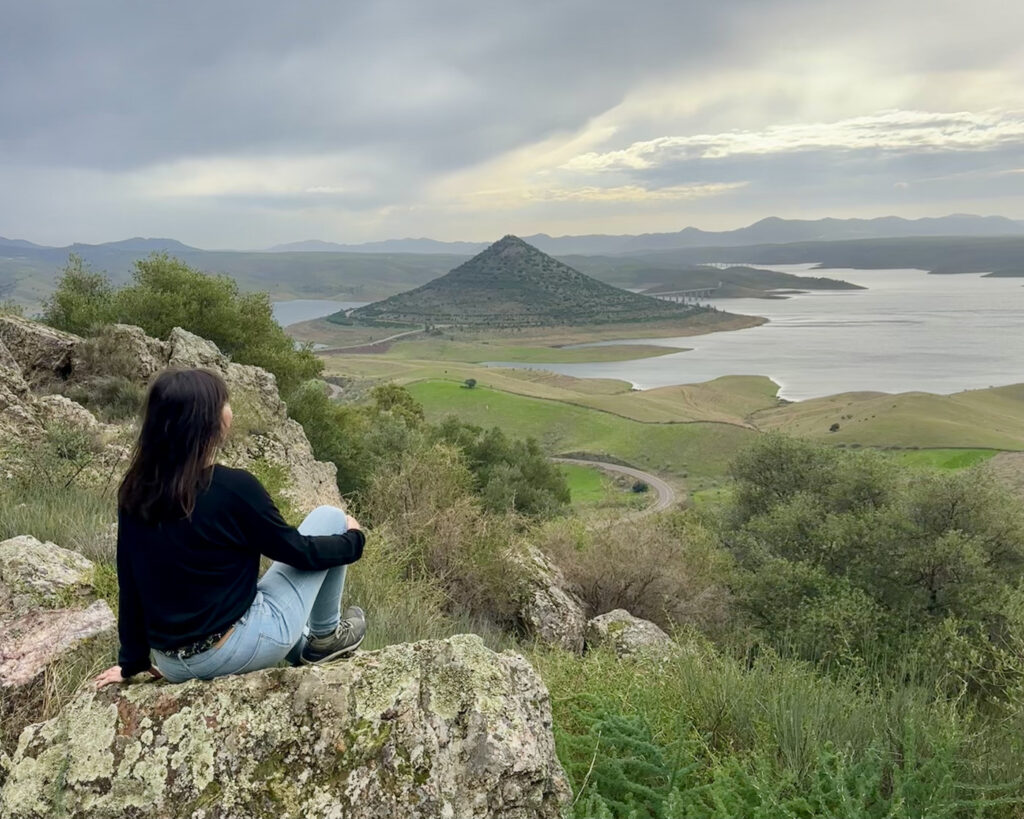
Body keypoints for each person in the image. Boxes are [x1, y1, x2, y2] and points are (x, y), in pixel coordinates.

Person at [94, 368, 366, 688]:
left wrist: (132, 664)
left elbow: (131, 583)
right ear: (209, 421)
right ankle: (326, 639)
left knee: (248, 596)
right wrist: (352, 541)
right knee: (330, 517)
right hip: (228, 652)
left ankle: (304, 649)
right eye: (225, 403)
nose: (230, 410)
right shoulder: (234, 488)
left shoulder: (136, 490)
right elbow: (298, 552)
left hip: (173, 663)